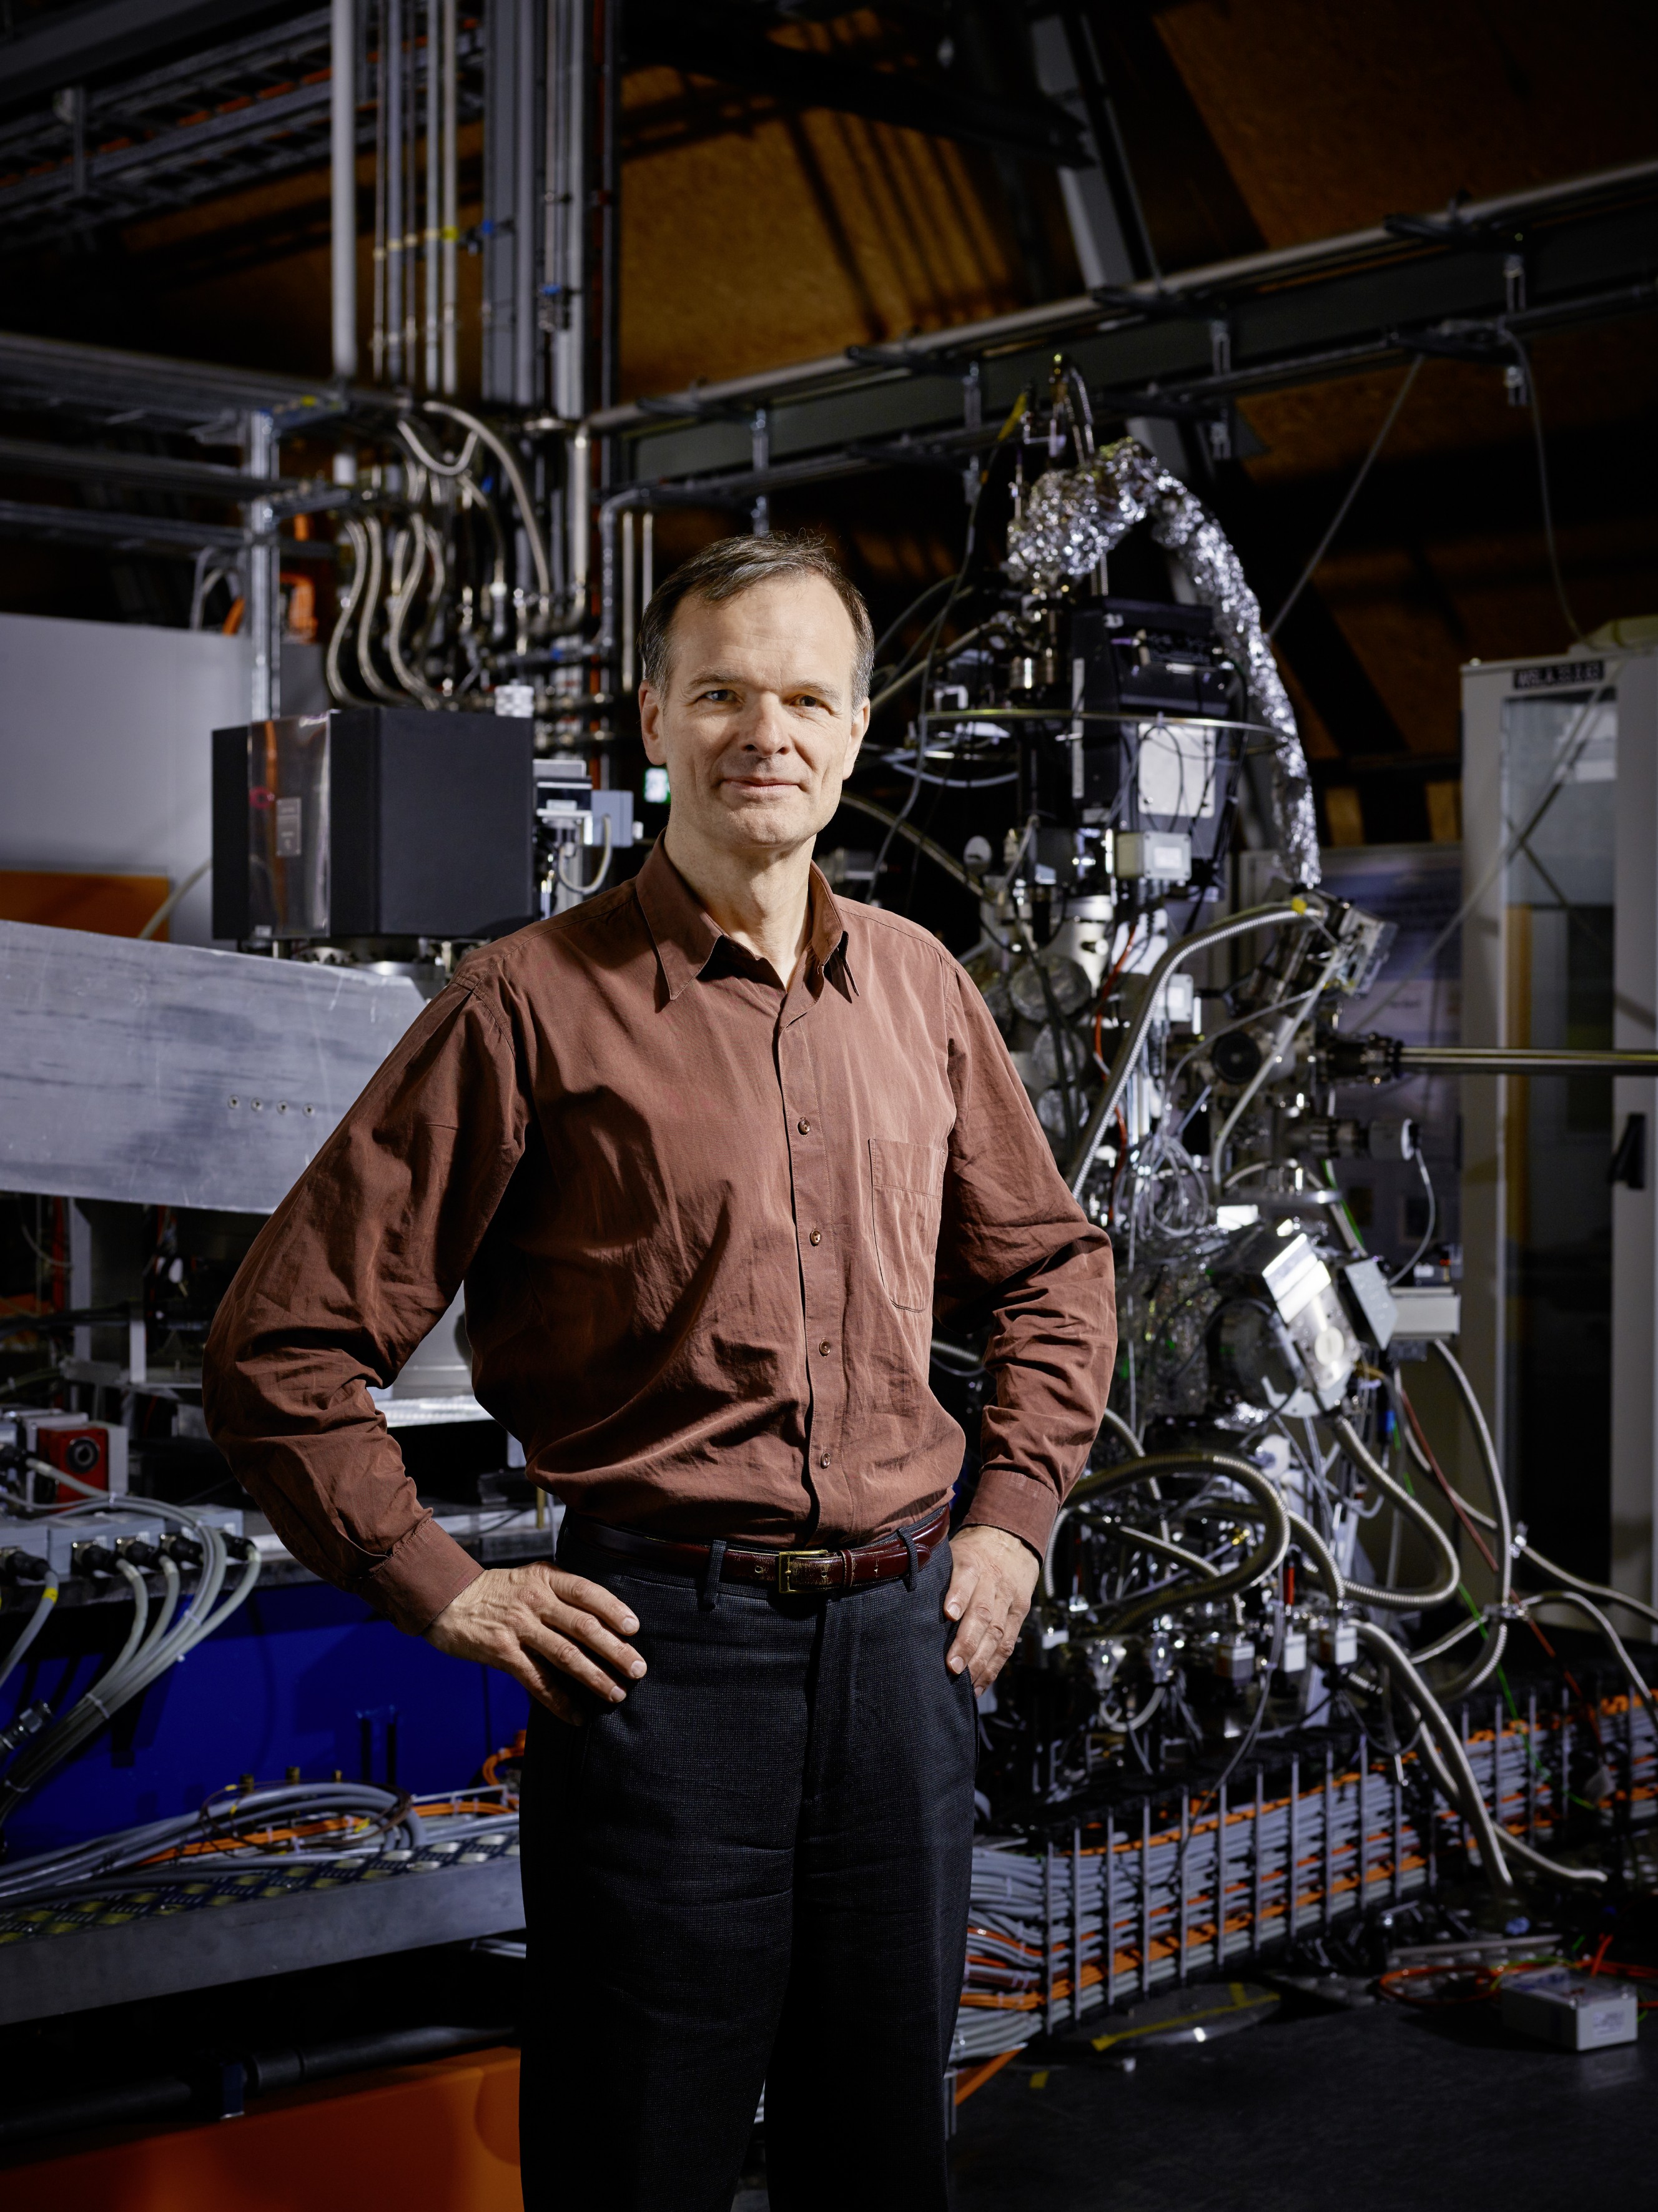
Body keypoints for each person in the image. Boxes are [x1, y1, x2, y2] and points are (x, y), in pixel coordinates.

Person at [204, 530, 1115, 2212]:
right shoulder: (526, 1005)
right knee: (640, 2157)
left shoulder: (919, 989)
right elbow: (284, 1343)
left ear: (853, 733)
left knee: (879, 2155)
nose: (762, 733)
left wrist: (1013, 1518)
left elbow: (1055, 1271)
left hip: (907, 1659)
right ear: (652, 720)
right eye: (720, 694)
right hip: (657, 1666)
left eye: (802, 698)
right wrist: (438, 1585)